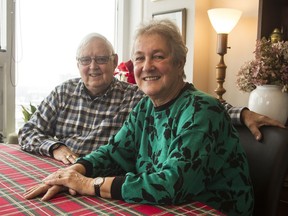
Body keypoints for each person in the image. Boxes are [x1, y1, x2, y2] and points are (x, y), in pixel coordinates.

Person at [24, 19, 254, 215]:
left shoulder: (202, 109)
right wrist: (75, 171)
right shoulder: (145, 106)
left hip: (207, 209)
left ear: (179, 62)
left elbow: (173, 184)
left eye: (158, 56)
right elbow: (115, 152)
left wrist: (88, 184)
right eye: (140, 58)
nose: (147, 67)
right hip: (163, 206)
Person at [18, 32, 285, 165]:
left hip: (102, 174)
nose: (93, 67)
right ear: (77, 64)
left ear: (114, 62)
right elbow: (28, 131)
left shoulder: (137, 97)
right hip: (63, 169)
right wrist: (55, 147)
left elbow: (190, 103)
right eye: (86, 60)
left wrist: (244, 113)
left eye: (101, 59)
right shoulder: (62, 92)